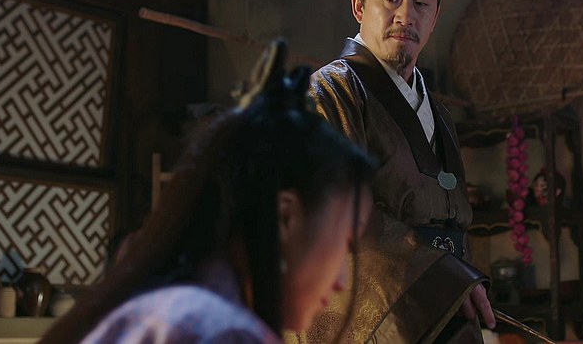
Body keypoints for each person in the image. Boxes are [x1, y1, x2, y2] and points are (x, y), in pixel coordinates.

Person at [40, 40, 377, 343]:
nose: (341, 281)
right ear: (284, 217)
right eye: (346, 244)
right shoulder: (222, 332)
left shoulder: (161, 308)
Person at [304, 0, 496, 343]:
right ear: (359, 7)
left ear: (435, 16)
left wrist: (458, 280)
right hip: (373, 315)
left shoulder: (438, 113)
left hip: (445, 303)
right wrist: (442, 275)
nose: (406, 16)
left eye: (422, 3)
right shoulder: (329, 92)